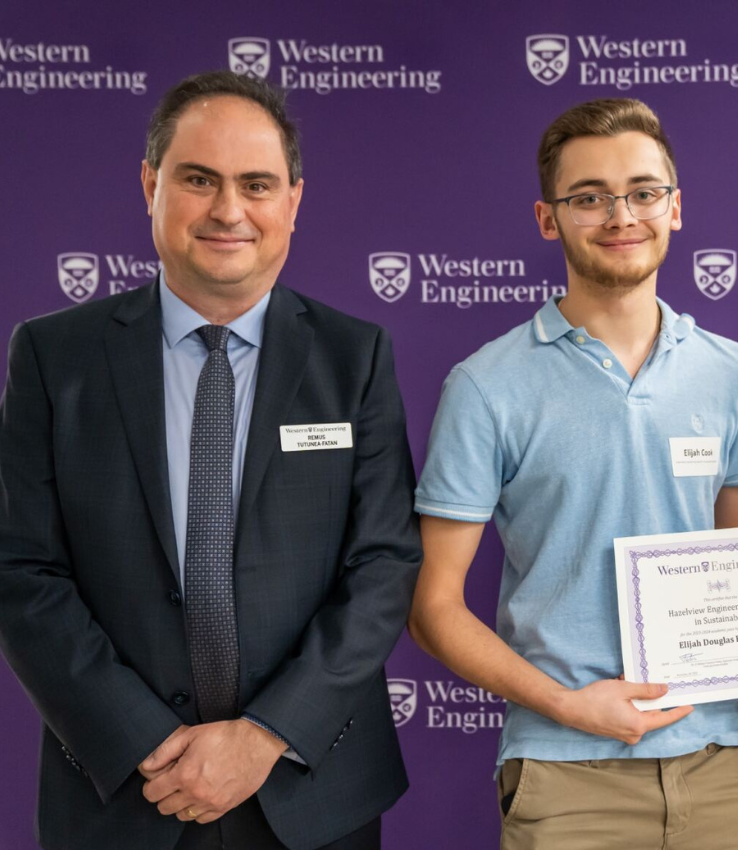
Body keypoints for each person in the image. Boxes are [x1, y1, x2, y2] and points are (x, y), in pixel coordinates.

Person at [0, 71, 422, 850]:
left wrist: (263, 736)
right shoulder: (55, 358)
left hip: (311, 788)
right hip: (123, 789)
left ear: (292, 201)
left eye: (256, 184)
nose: (229, 210)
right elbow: (22, 570)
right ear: (150, 184)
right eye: (199, 179)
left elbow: (384, 563)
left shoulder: (354, 357)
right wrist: (145, 743)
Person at [409, 98, 738, 850]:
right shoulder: (486, 385)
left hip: (726, 763)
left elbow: (735, 565)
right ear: (547, 218)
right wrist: (568, 706)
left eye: (643, 192)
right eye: (589, 197)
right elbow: (433, 607)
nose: (621, 215)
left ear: (675, 206)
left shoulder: (734, 375)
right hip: (567, 775)